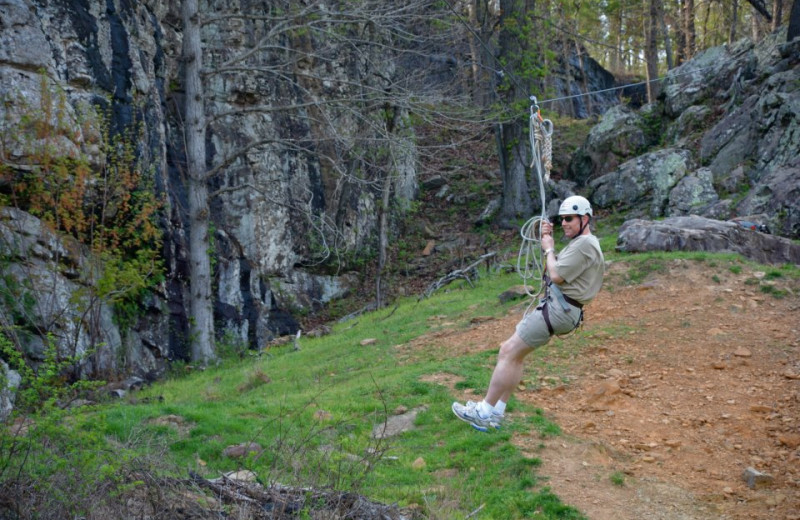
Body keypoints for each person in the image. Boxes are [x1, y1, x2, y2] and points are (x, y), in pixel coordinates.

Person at [452, 195, 605, 432]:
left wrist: (549, 249)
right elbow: (556, 269)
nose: (564, 223)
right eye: (561, 219)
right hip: (562, 310)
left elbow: (555, 275)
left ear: (584, 219)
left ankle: (483, 411)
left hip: (558, 310)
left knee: (507, 351)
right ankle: (497, 412)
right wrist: (548, 242)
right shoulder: (583, 244)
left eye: (569, 219)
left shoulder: (585, 245)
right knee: (516, 355)